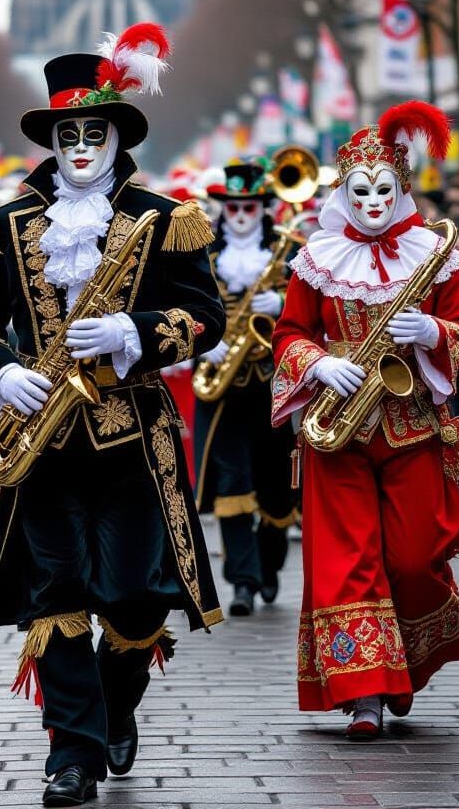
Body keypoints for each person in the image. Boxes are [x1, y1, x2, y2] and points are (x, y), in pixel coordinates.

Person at [0, 23, 226, 807]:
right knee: (58, 590)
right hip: (41, 441)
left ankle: (114, 703)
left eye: (92, 131)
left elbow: (209, 315)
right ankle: (70, 752)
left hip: (132, 437)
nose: (78, 146)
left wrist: (136, 333)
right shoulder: (6, 224)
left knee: (135, 596)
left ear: (114, 135)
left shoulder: (164, 215)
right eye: (67, 132)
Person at [270, 102, 459, 740]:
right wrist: (315, 366)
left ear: (403, 188)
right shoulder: (318, 257)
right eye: (359, 190)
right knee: (346, 561)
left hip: (413, 426)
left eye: (383, 189)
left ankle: (408, 664)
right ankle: (365, 694)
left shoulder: (435, 253)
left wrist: (434, 331)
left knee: (415, 559)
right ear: (343, 191)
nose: (371, 200)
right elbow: (287, 335)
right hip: (338, 430)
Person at [194, 160, 297, 615]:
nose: (239, 213)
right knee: (231, 481)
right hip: (223, 386)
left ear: (262, 207)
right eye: (232, 206)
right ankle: (241, 580)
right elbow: (181, 305)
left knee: (277, 486)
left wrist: (285, 301)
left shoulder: (291, 252)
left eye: (249, 205)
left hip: (274, 382)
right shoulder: (201, 255)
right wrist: (200, 344)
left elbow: (320, 311)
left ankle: (270, 565)